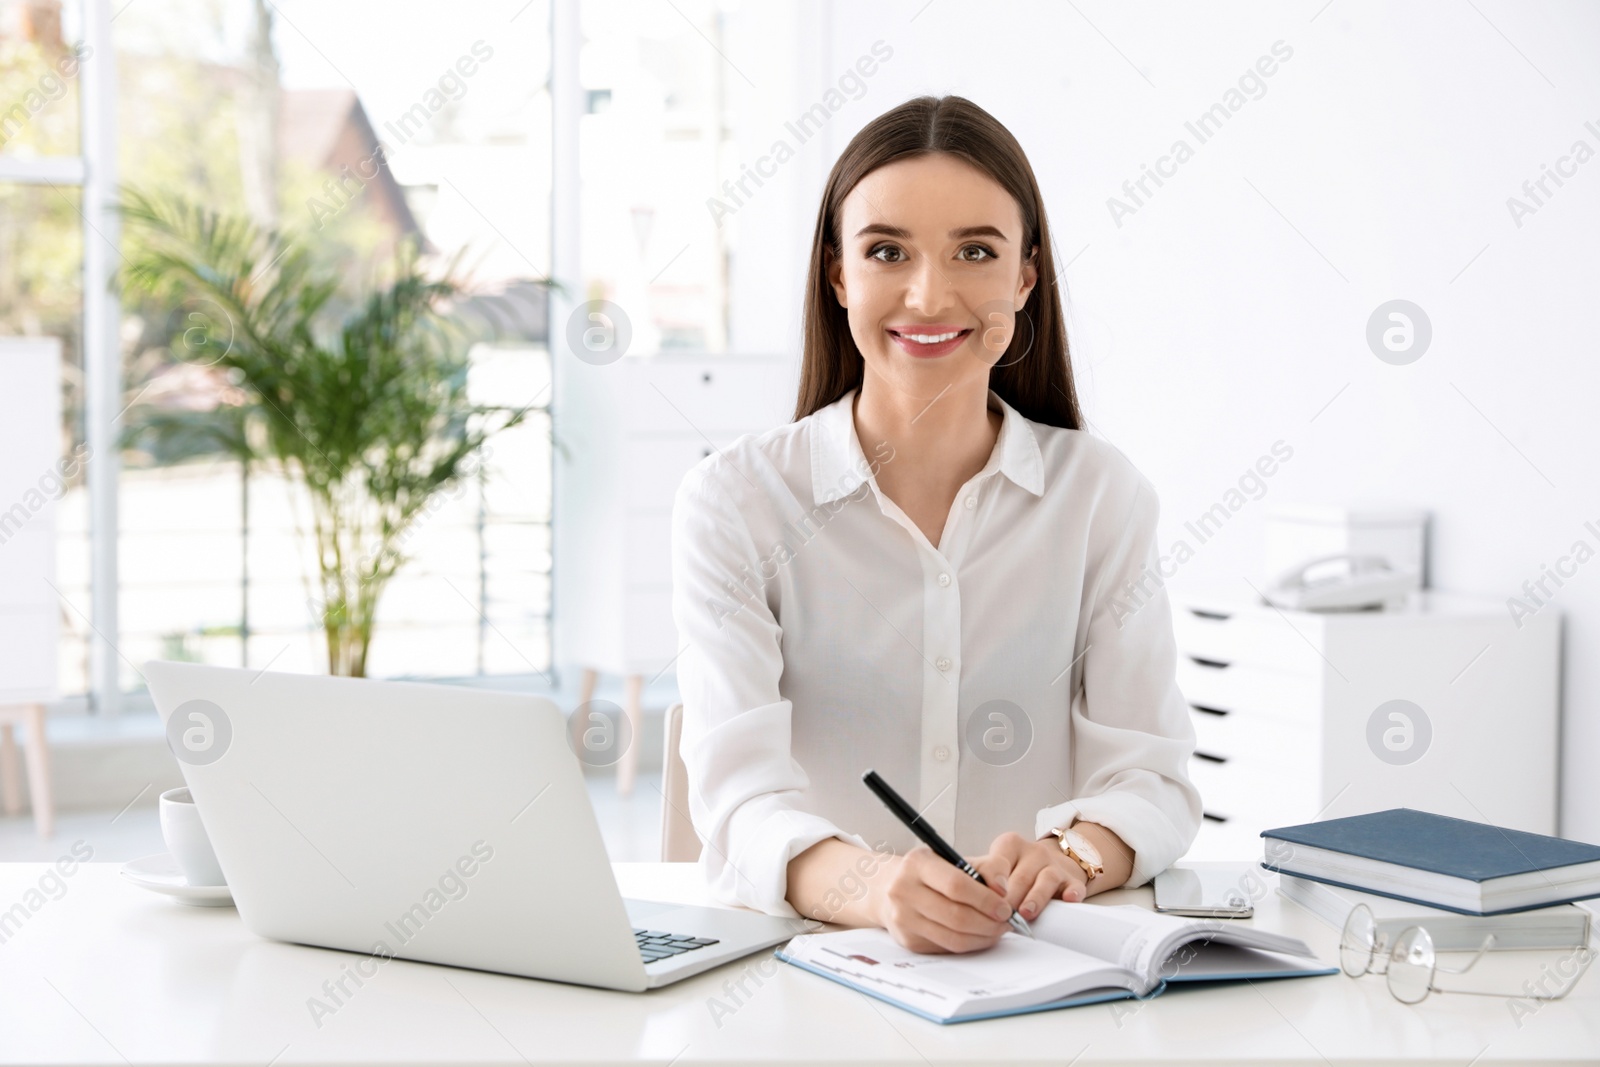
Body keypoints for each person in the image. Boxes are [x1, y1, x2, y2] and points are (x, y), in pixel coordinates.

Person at [669, 94, 1201, 955]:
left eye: (976, 252)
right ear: (838, 275)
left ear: (1025, 278)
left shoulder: (1102, 497)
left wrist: (1073, 856)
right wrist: (878, 887)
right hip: (810, 977)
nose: (928, 294)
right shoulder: (735, 502)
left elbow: (1152, 776)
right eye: (887, 251)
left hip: (1041, 977)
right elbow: (739, 805)